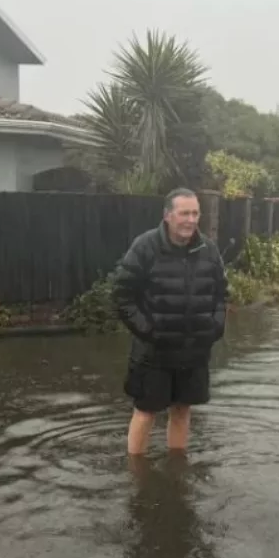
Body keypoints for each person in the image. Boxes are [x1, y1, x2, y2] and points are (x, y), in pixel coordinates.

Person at [112, 188, 228, 455]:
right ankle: (137, 474)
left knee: (182, 409)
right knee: (146, 412)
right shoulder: (145, 247)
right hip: (155, 352)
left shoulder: (208, 249)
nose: (190, 220)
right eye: (184, 213)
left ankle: (177, 469)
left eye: (195, 213)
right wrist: (147, 330)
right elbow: (121, 295)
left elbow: (222, 293)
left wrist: (215, 325)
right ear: (168, 215)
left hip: (194, 349)